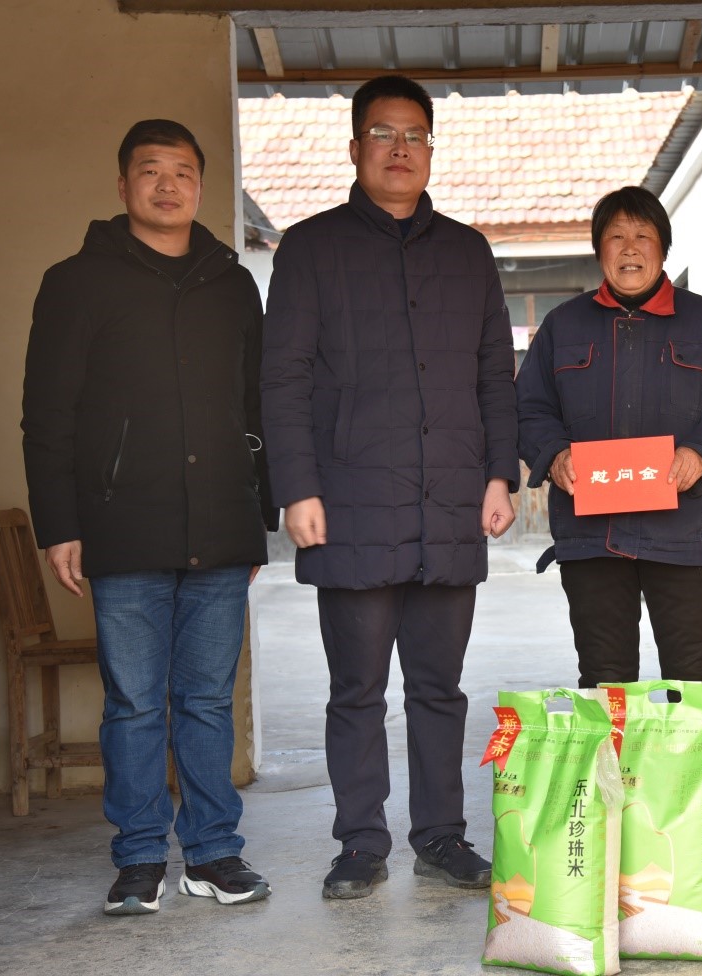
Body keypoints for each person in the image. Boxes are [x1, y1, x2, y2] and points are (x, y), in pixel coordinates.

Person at [260, 75, 517, 900]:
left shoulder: (467, 253)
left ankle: (441, 835)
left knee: (440, 688)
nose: (399, 149)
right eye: (383, 134)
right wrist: (297, 487)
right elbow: (283, 377)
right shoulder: (311, 249)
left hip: (449, 500)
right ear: (355, 148)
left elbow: (495, 375)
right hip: (351, 500)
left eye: (414, 135)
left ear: (430, 149)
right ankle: (360, 843)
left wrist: (500, 473)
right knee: (357, 690)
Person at [22, 119, 275, 915]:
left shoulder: (232, 284)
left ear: (201, 185)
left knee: (206, 700)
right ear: (122, 184)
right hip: (120, 525)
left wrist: (258, 514)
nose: (168, 186)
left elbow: (257, 405)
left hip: (221, 526)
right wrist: (59, 523)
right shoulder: (75, 282)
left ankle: (213, 852)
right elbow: (46, 413)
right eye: (150, 170)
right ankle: (137, 858)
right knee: (133, 703)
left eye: (183, 172)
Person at [516, 187, 702, 687]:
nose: (629, 249)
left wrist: (701, 453)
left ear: (663, 248)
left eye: (642, 236)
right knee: (604, 681)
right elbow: (528, 408)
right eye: (616, 237)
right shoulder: (563, 326)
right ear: (599, 249)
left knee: (693, 680)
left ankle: (694, 747)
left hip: (686, 536)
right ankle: (613, 746)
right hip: (592, 539)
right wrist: (555, 454)